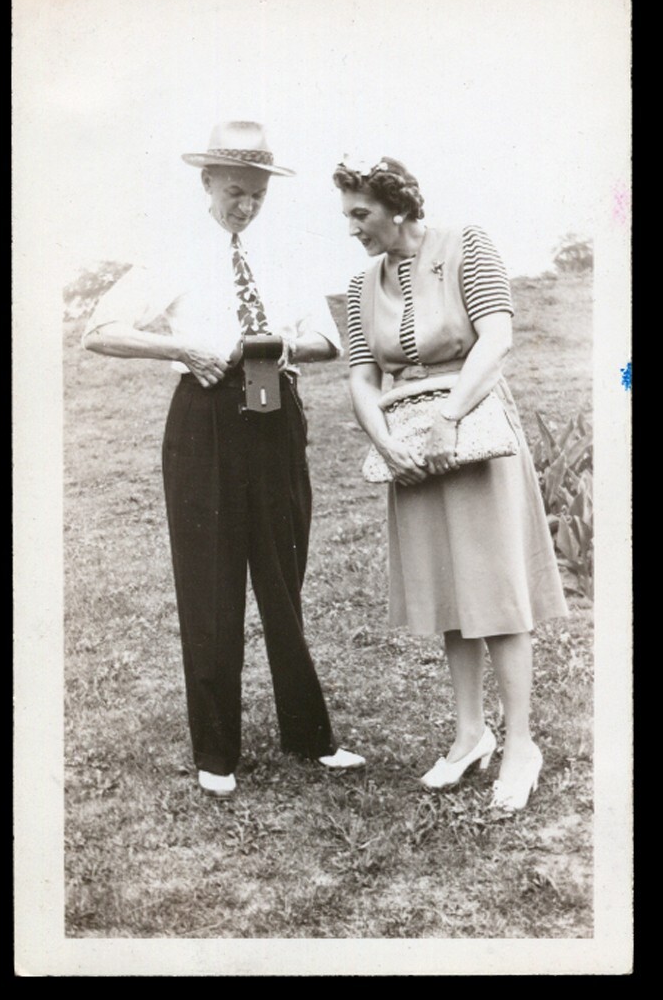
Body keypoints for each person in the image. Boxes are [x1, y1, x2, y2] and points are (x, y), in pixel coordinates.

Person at [82, 120, 365, 798]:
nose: (246, 206)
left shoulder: (285, 254)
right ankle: (217, 751)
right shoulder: (170, 252)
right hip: (204, 416)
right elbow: (101, 330)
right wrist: (186, 350)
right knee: (210, 585)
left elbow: (332, 338)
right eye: (236, 192)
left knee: (283, 573)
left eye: (257, 196)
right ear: (206, 182)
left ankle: (308, 735)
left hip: (276, 414)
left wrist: (287, 346)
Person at [333, 155, 568, 812]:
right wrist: (383, 440)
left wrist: (449, 414)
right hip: (408, 441)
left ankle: (521, 742)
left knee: (496, 586)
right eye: (347, 216)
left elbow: (496, 337)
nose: (353, 228)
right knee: (448, 588)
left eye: (361, 213)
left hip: (474, 426)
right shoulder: (361, 285)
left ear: (397, 206)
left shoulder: (466, 244)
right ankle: (470, 733)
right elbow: (360, 374)